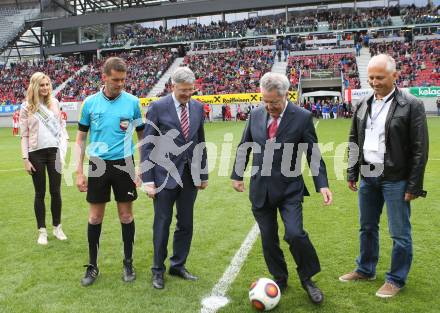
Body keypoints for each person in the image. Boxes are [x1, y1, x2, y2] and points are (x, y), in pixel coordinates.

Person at [231, 72, 333, 304]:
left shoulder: (302, 117)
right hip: (260, 188)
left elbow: (313, 154)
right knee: (268, 239)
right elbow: (244, 145)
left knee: (295, 234)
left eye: (274, 102)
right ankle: (280, 278)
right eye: (265, 101)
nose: (269, 107)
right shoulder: (255, 114)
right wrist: (237, 174)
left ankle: (307, 278)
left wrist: (323, 185)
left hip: (289, 189)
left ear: (286, 95)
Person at [340, 54, 429, 298]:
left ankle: (396, 279)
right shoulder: (363, 103)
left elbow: (420, 148)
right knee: (367, 226)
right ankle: (365, 269)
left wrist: (414, 185)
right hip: (369, 172)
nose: (374, 82)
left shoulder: (411, 104)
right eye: (371, 77)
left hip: (395, 176)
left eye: (380, 77)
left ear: (394, 75)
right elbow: (353, 139)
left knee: (399, 232)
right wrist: (352, 170)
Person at [75, 57, 145, 286]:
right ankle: (93, 266)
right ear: (104, 77)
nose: (120, 84)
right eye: (115, 79)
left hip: (124, 163)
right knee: (95, 217)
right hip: (98, 164)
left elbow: (142, 137)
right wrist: (78, 170)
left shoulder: (133, 102)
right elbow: (81, 137)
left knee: (126, 215)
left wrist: (142, 168)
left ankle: (128, 262)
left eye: (123, 79)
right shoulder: (90, 103)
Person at [141, 67, 208, 290]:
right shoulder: (158, 107)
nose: (188, 94)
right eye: (183, 91)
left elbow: (200, 142)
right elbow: (147, 145)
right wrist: (148, 180)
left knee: (186, 224)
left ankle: (178, 265)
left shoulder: (197, 107)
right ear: (173, 86)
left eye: (191, 90)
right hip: (163, 176)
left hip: (190, 177)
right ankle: (157, 270)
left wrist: (203, 173)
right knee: (162, 224)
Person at [19, 72, 68, 245]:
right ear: (34, 86)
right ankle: (42, 231)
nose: (45, 88)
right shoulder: (26, 107)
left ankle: (57, 227)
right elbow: (23, 135)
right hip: (35, 154)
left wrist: (62, 153)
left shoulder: (55, 103)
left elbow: (62, 130)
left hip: (54, 153)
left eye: (47, 84)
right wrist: (25, 158)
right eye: (42, 85)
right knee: (40, 193)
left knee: (56, 192)